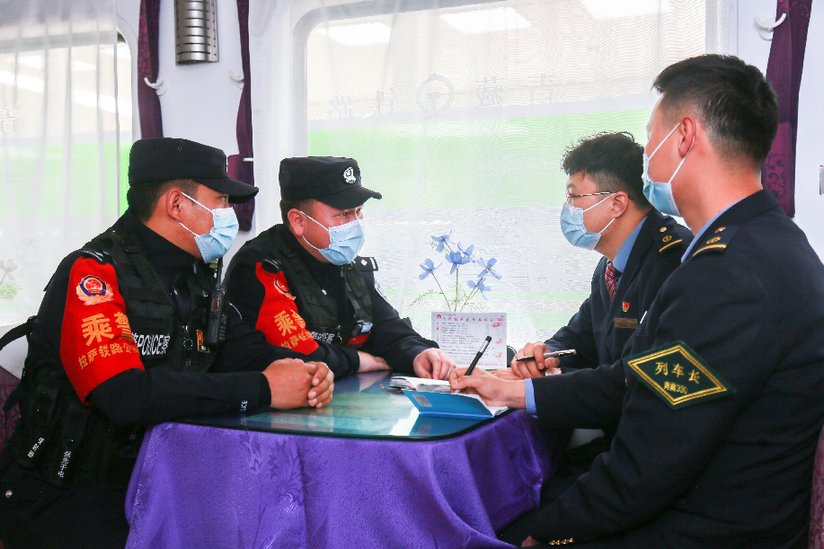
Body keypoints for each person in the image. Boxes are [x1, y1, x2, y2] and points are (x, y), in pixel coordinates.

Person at [451, 54, 824, 547]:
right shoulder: (769, 244)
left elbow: (648, 464)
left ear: (684, 136)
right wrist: (511, 390)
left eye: (652, 137)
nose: (647, 155)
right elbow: (638, 380)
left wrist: (546, 533)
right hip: (720, 509)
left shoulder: (727, 274)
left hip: (709, 529)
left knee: (482, 528)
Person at [0, 138, 334, 548]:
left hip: (160, 480)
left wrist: (305, 372)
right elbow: (124, 395)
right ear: (176, 204)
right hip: (68, 497)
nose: (229, 214)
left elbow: (240, 349)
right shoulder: (93, 273)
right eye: (221, 200)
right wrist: (264, 388)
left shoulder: (195, 276)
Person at [500, 131, 691, 488]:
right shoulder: (610, 267)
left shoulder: (673, 260)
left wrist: (520, 392)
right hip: (617, 442)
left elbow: (634, 380)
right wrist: (546, 354)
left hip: (651, 457)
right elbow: (580, 338)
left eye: (574, 197)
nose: (568, 209)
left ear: (617, 204)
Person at [225, 156, 456, 379]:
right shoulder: (260, 266)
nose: (355, 224)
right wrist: (357, 361)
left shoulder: (344, 260)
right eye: (343, 214)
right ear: (298, 221)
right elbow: (298, 352)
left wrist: (418, 352)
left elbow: (386, 325)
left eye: (358, 211)